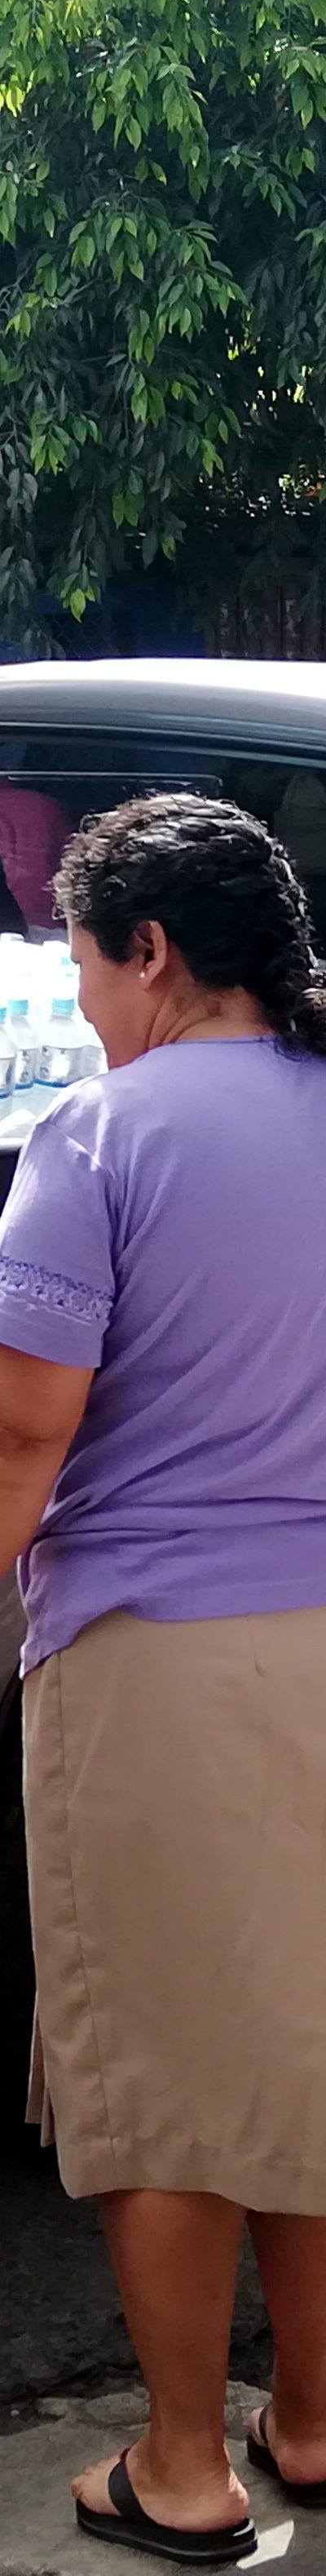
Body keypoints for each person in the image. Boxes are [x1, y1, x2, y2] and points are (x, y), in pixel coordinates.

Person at [2, 793, 326, 2561]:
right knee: (304, 2045)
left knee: (160, 2074)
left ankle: (185, 2469)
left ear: (149, 949)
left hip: (160, 1662)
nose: (82, 1001)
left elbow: (21, 1436)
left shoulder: (100, 1134)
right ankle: (315, 2422)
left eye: (82, 962)